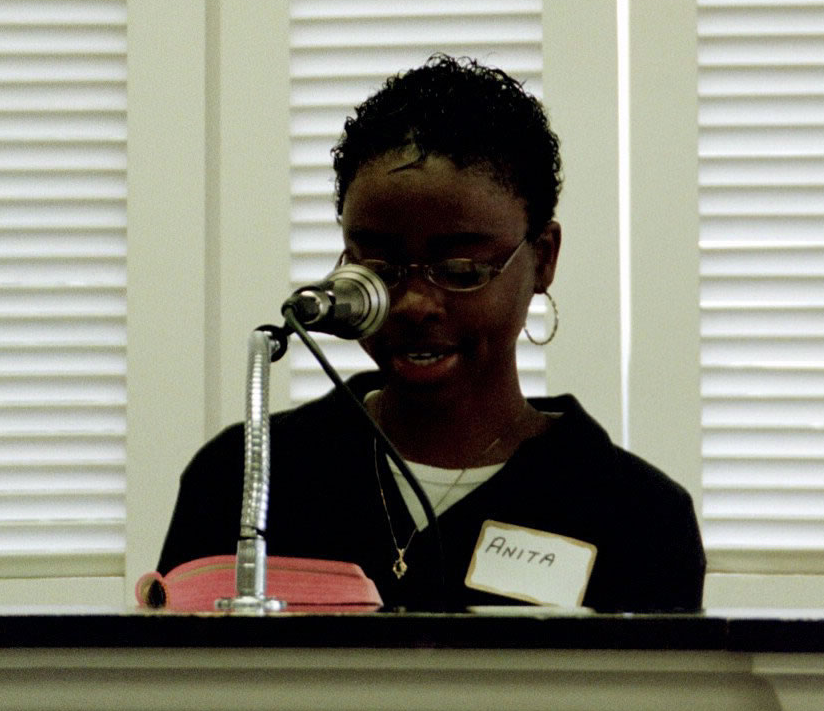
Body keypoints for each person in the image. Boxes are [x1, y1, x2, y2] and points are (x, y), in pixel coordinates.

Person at [157, 55, 705, 612]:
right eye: (381, 269)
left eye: (461, 270)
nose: (415, 303)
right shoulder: (245, 476)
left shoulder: (638, 516)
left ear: (542, 259)